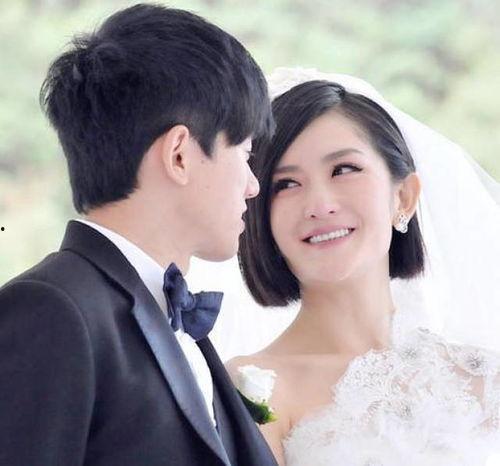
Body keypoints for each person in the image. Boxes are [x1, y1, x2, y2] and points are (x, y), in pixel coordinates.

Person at [0, 4, 278, 466]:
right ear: (179, 155)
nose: (253, 186)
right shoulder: (51, 310)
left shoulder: (173, 317)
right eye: (245, 154)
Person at [227, 68, 500, 465]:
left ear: (404, 197)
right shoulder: (253, 388)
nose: (320, 205)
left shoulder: (484, 379)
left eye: (343, 170)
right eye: (285, 184)